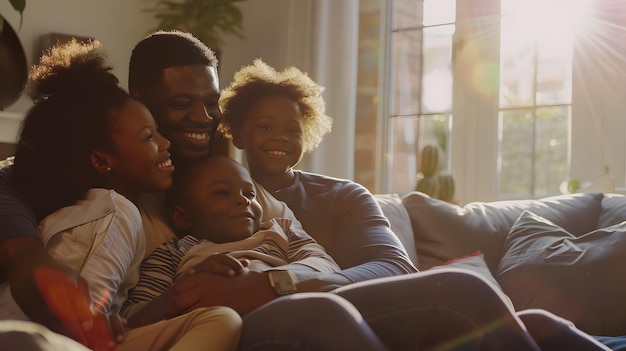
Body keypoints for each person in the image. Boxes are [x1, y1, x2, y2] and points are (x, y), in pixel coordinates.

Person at [216, 58, 611, 351]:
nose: (279, 138)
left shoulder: (342, 196)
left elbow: (392, 266)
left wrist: (290, 283)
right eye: (264, 127)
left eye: (292, 129)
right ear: (237, 132)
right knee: (462, 292)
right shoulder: (211, 195)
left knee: (538, 323)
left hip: (362, 309)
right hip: (281, 327)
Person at [1, 39, 242, 351]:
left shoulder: (104, 206)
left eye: (212, 103)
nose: (164, 142)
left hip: (79, 333)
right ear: (101, 160)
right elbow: (83, 324)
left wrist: (173, 297)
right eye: (148, 136)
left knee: (218, 319)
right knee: (219, 321)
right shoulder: (115, 212)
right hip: (45, 338)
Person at [121, 155, 341, 325]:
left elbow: (327, 266)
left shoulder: (280, 229)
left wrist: (267, 283)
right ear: (182, 217)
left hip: (293, 308)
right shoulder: (174, 252)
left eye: (250, 194)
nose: (243, 200)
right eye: (222, 193)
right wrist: (179, 291)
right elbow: (131, 318)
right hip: (225, 329)